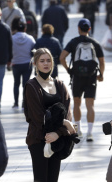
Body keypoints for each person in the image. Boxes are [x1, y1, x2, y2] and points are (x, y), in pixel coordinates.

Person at [23, 48, 75, 182]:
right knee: (41, 179)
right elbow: (38, 117)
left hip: (57, 139)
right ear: (35, 63)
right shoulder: (31, 86)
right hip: (39, 139)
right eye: (42, 61)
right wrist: (64, 124)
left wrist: (58, 133)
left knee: (53, 179)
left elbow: (68, 113)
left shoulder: (60, 85)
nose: (46, 64)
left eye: (48, 60)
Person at [60, 18, 105, 141]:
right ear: (89, 29)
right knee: (90, 105)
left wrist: (69, 69)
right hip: (91, 77)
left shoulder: (73, 42)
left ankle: (78, 130)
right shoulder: (95, 43)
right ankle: (90, 133)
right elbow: (101, 61)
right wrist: (101, 75)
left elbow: (62, 57)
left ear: (78, 28)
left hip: (77, 77)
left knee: (77, 103)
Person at [11, 17, 35, 108]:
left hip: (15, 63)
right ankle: (24, 102)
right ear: (25, 28)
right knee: (26, 84)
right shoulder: (30, 38)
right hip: (27, 64)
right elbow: (34, 50)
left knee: (16, 83)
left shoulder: (12, 38)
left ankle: (16, 102)